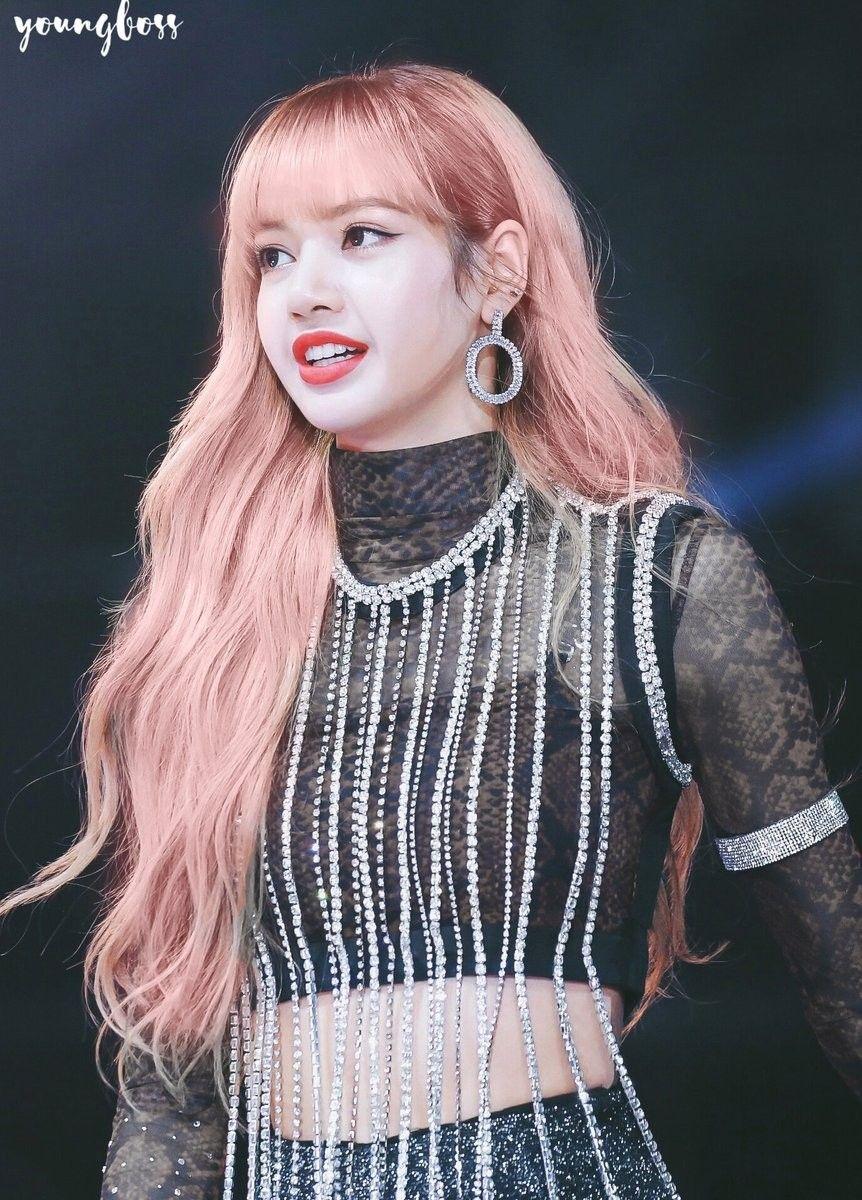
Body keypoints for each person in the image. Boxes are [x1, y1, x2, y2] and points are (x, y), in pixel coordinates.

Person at [2, 60, 859, 1200]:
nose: (304, 292)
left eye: (361, 236)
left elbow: (842, 971)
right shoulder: (216, 617)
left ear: (496, 269)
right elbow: (173, 1085)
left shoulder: (654, 574)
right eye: (272, 255)